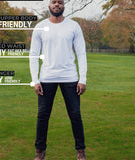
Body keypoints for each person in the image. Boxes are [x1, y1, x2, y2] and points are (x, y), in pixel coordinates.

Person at [29, 0, 87, 159]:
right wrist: (36, 80)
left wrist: (82, 79)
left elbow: (81, 53)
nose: (57, 4)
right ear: (49, 5)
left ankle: (80, 151)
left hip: (70, 77)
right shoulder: (40, 27)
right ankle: (40, 152)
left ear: (63, 6)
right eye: (54, 2)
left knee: (75, 115)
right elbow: (33, 54)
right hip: (47, 77)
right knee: (42, 115)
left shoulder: (73, 26)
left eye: (60, 2)